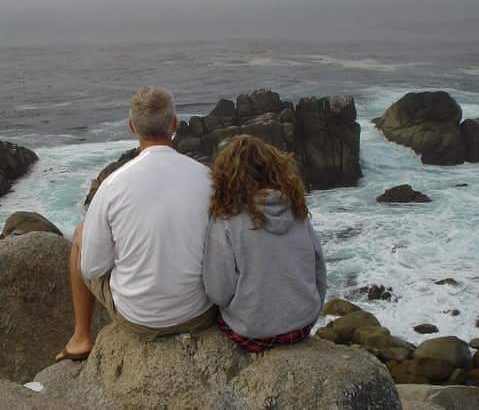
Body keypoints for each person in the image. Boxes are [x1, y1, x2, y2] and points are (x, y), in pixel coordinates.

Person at [56, 86, 215, 361]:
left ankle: (81, 337)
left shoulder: (112, 185)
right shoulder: (207, 177)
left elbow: (92, 267)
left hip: (139, 318)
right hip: (198, 313)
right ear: (174, 124)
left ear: (132, 127)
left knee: (82, 233)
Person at [202, 134, 326, 352]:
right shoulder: (296, 209)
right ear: (276, 169)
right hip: (302, 325)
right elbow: (319, 272)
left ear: (225, 176)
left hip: (253, 332)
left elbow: (218, 293)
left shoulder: (226, 220)